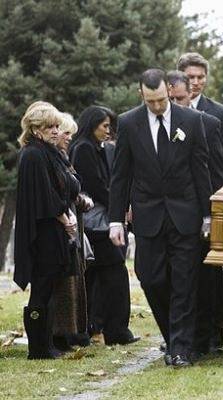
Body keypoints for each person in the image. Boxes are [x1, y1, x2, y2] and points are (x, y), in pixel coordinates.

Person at [109, 68, 212, 368]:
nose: (156, 106)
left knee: (183, 282)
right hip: (148, 215)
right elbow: (121, 174)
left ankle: (180, 348)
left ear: (168, 90)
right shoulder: (128, 123)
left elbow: (200, 169)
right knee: (150, 278)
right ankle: (173, 335)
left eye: (161, 100)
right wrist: (116, 219)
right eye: (150, 101)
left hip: (185, 214)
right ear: (141, 94)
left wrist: (207, 214)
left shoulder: (191, 121)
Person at [167, 69, 223, 355]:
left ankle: (203, 337)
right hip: (164, 212)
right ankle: (178, 337)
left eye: (179, 99)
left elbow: (218, 169)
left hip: (198, 211)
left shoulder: (210, 122)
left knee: (202, 279)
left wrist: (214, 213)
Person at [14, 102, 80, 359]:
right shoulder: (33, 154)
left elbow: (62, 187)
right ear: (35, 129)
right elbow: (44, 195)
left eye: (56, 126)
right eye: (49, 126)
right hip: (42, 232)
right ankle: (39, 348)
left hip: (52, 230)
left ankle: (46, 343)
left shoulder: (47, 152)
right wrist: (64, 218)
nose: (55, 131)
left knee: (49, 287)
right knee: (41, 289)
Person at [69, 106, 138, 346]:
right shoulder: (85, 148)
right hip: (98, 223)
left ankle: (96, 326)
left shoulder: (92, 148)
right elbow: (96, 185)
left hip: (97, 221)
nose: (108, 130)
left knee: (98, 277)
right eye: (105, 126)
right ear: (93, 125)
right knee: (115, 275)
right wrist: (119, 207)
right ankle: (116, 329)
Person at [51, 112, 94, 351]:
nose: (69, 138)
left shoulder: (62, 157)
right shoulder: (53, 158)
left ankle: (73, 330)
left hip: (73, 221)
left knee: (75, 281)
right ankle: (62, 333)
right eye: (66, 133)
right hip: (63, 225)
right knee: (65, 284)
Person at [177, 52, 223, 175]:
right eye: (191, 77)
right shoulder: (165, 109)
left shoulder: (220, 114)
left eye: (200, 77)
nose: (196, 82)